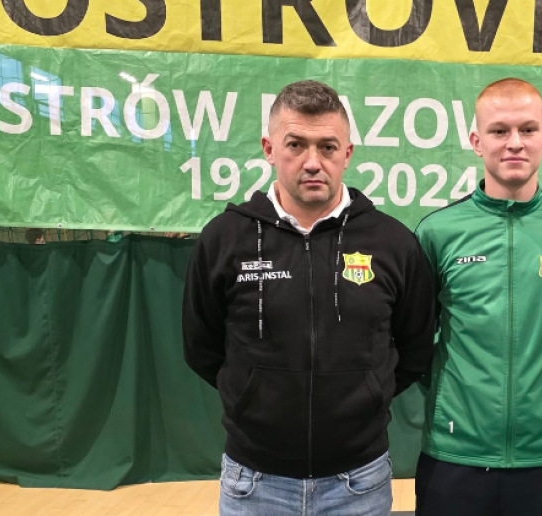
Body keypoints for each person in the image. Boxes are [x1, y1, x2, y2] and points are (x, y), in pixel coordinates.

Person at [182, 80, 436, 516]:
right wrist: (251, 395)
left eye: (327, 147)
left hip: (359, 482)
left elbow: (414, 349)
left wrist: (368, 393)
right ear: (269, 148)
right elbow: (201, 348)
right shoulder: (224, 239)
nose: (313, 162)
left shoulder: (393, 243)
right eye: (296, 145)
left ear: (347, 154)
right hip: (254, 482)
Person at [413, 78, 542, 516]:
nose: (514, 142)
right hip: (454, 455)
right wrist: (456, 400)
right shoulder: (437, 232)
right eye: (499, 131)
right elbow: (415, 341)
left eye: (527, 129)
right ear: (477, 141)